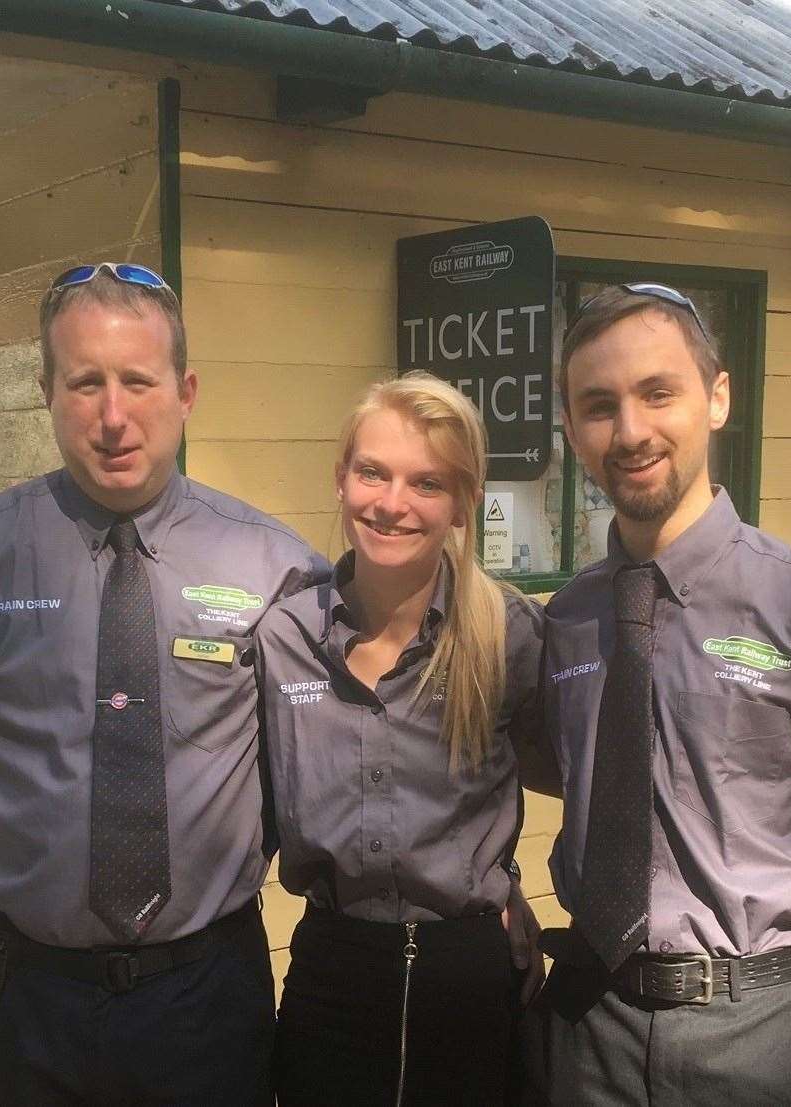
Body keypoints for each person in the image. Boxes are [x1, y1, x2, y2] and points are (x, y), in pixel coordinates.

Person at [0, 262, 326, 1106]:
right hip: (26, 995)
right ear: (46, 389)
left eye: (138, 381)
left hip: (205, 997)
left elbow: (320, 752)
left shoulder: (276, 567)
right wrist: (22, 830)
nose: (114, 416)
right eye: (85, 383)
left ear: (185, 390)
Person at [535, 283, 791, 1106]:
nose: (631, 430)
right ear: (571, 430)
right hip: (589, 1031)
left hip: (764, 1035)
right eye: (599, 405)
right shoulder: (571, 618)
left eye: (657, 392)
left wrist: (790, 993)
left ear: (716, 397)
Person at [254, 373, 554, 1106]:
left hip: (474, 980)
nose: (392, 503)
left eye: (427, 482)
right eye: (373, 472)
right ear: (340, 478)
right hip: (333, 975)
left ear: (464, 502)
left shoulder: (509, 636)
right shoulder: (282, 638)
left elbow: (577, 772)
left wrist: (512, 889)